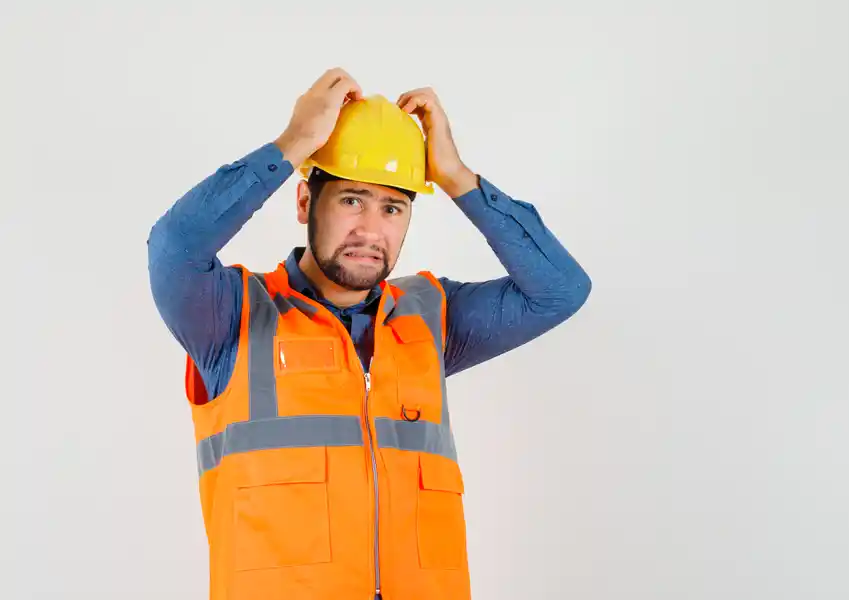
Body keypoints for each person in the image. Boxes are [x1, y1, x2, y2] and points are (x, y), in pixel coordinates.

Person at [147, 67, 591, 600]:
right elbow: (174, 247)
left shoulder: (431, 317)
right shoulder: (230, 316)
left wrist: (457, 178)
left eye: (393, 207)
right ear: (306, 203)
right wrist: (293, 144)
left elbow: (559, 289)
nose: (370, 230)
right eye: (352, 199)